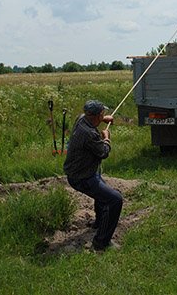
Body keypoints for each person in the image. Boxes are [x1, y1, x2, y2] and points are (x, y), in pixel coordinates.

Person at [63, 100, 123, 252]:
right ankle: (101, 241)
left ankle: (99, 223)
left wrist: (104, 119)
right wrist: (106, 137)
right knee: (115, 199)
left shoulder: (81, 119)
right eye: (102, 114)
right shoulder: (89, 134)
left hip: (80, 173)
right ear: (97, 115)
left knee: (102, 194)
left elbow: (90, 118)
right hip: (82, 178)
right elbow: (103, 152)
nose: (103, 116)